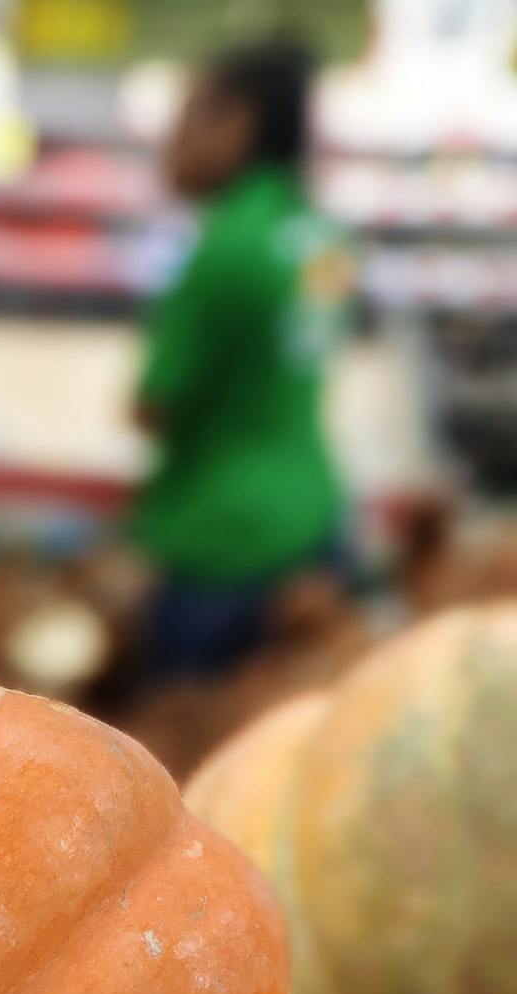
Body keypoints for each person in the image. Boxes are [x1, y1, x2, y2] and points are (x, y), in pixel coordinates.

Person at [134, 41, 353, 680]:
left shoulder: (225, 248)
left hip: (222, 544)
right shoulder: (322, 237)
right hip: (314, 519)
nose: (171, 141)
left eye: (187, 116)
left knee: (187, 754)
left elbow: (155, 405)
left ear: (238, 123)